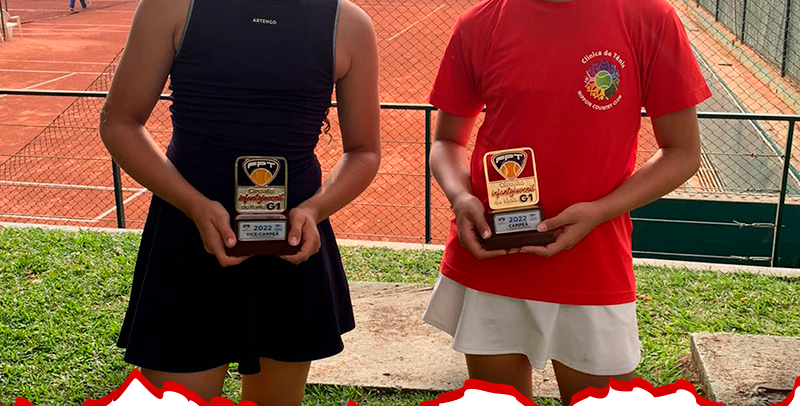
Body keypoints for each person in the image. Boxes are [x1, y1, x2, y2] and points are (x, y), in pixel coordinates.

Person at [422, 0, 711, 404]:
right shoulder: (479, 22)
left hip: (594, 264)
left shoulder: (649, 17)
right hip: (494, 260)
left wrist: (599, 212)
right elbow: (446, 141)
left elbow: (682, 152)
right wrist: (460, 196)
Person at [99, 0, 379, 403]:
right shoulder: (172, 7)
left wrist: (314, 210)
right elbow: (120, 122)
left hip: (290, 244)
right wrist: (194, 205)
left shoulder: (347, 23)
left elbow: (364, 151)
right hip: (187, 235)